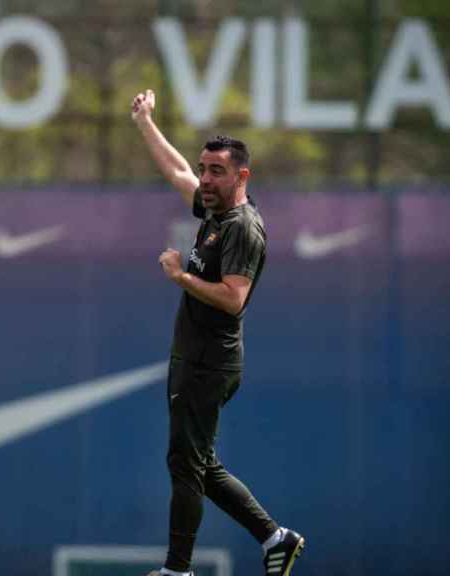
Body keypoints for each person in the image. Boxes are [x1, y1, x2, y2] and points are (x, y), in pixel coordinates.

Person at [130, 89, 305, 576]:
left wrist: (180, 277)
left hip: (209, 361)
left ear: (241, 175)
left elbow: (234, 297)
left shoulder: (242, 228)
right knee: (197, 464)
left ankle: (178, 570)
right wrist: (145, 122)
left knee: (185, 466)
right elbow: (177, 172)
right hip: (197, 358)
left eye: (217, 171)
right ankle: (276, 537)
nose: (205, 179)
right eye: (206, 169)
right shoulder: (214, 211)